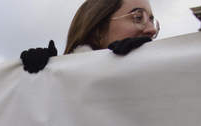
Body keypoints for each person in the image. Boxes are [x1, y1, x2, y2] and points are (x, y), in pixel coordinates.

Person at [21, 0, 160, 73]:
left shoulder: (161, 75)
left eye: (151, 20)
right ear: (99, 30)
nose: (152, 29)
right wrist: (35, 83)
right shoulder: (57, 86)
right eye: (138, 17)